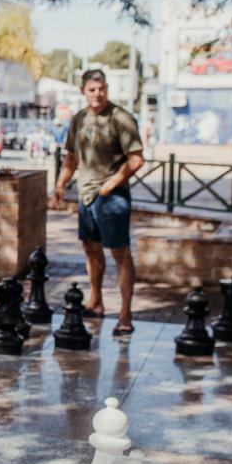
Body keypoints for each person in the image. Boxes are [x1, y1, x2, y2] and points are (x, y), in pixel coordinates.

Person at [50, 69, 145, 336]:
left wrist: (111, 184)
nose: (97, 94)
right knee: (91, 249)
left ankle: (125, 314)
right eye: (92, 89)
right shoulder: (78, 119)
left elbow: (136, 159)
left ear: (107, 88)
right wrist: (59, 186)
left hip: (112, 197)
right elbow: (70, 158)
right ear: (83, 91)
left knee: (120, 254)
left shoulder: (121, 118)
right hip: (86, 196)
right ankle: (96, 301)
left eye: (101, 88)